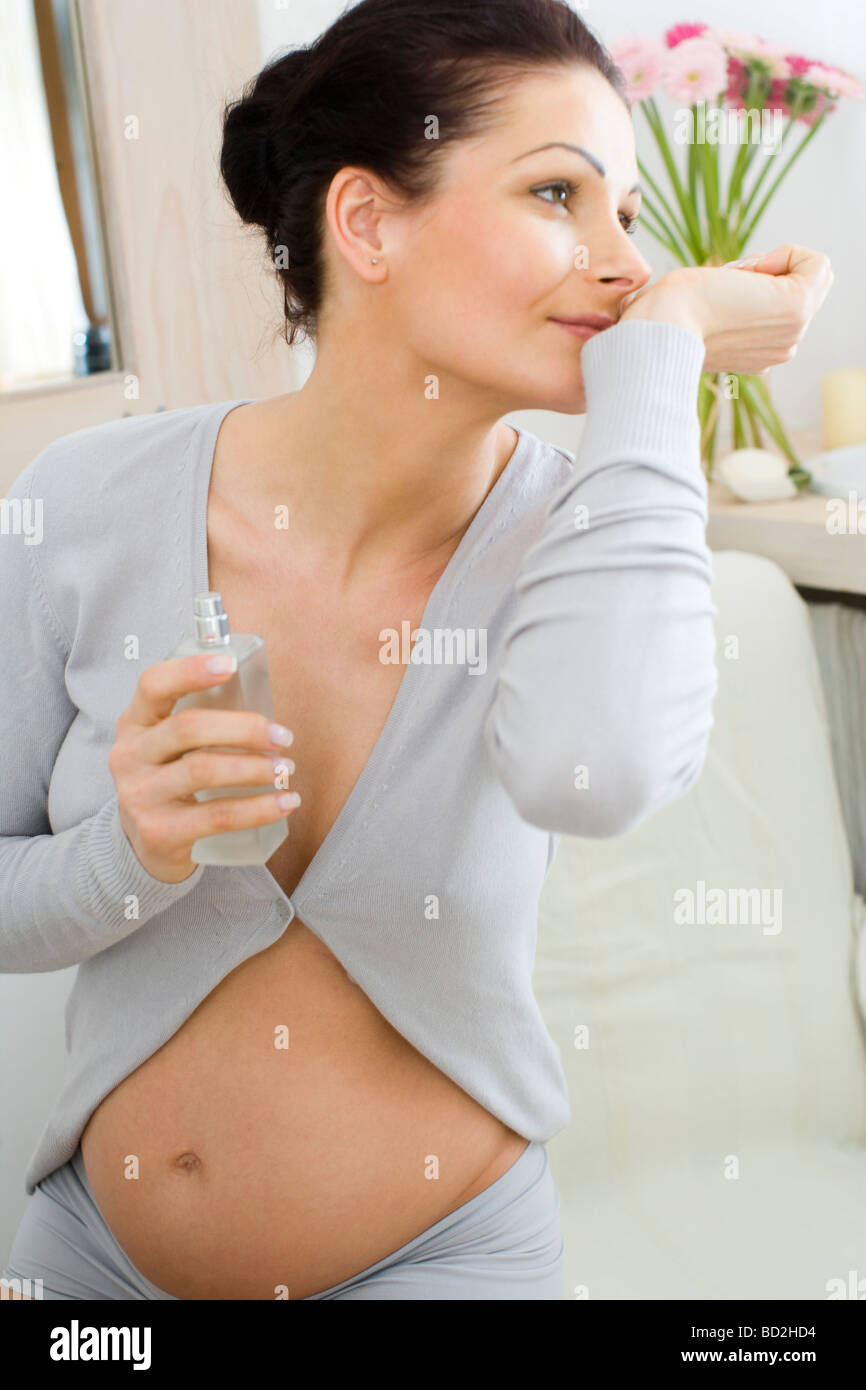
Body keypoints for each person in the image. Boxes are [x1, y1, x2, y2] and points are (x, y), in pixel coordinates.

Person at [1, 0, 831, 1300]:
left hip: (445, 1264)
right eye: (558, 192)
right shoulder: (87, 503)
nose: (624, 265)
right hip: (90, 1266)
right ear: (366, 222)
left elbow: (592, 771)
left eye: (625, 210)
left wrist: (660, 360)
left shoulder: (587, 531)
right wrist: (132, 849)